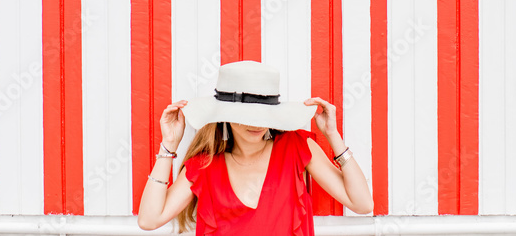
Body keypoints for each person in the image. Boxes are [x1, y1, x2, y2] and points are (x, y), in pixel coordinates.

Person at [137, 60, 374, 234]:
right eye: (244, 115)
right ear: (224, 115)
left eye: (263, 114)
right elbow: (149, 220)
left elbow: (362, 204)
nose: (256, 123)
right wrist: (169, 145)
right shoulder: (204, 165)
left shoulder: (297, 148)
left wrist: (332, 135)